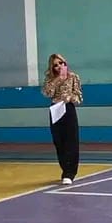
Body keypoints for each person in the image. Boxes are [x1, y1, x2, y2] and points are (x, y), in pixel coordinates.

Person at [42, 53, 83, 185]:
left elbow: (79, 97)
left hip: (68, 109)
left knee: (71, 141)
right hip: (56, 109)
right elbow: (47, 93)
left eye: (61, 63)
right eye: (56, 65)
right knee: (59, 142)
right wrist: (58, 79)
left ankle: (70, 173)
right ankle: (64, 168)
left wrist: (70, 98)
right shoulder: (50, 79)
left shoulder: (73, 77)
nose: (59, 66)